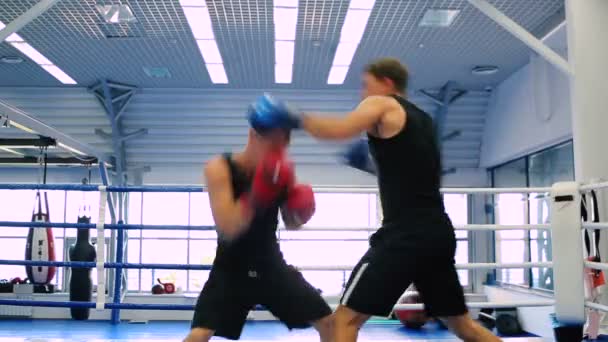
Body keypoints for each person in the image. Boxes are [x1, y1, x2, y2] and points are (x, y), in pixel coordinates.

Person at [247, 57, 502, 342]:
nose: (362, 94)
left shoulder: (382, 103)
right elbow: (413, 170)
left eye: (366, 85)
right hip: (437, 233)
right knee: (463, 326)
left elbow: (340, 130)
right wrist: (369, 164)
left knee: (342, 322)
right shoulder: (424, 120)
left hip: (405, 235)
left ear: (387, 83)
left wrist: (294, 118)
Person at [184, 123, 333, 342]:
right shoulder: (219, 167)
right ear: (253, 135)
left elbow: (291, 223)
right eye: (272, 144)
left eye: (280, 147)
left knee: (330, 324)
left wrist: (301, 212)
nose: (275, 152)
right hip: (230, 268)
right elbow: (227, 225)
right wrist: (259, 190)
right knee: (201, 333)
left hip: (270, 266)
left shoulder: (280, 170)